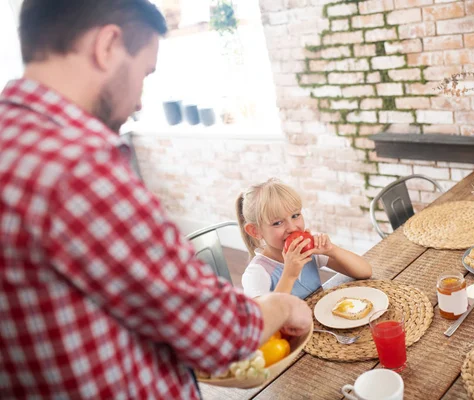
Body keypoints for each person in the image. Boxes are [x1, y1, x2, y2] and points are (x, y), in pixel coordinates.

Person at [0, 1, 312, 399]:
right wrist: (284, 308)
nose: (140, 103)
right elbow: (217, 329)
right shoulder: (80, 164)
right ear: (108, 45)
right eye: (144, 72)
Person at [236, 179, 372, 299]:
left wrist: (332, 250)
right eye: (277, 223)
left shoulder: (308, 251)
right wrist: (289, 274)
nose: (292, 227)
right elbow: (264, 321)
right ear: (255, 231)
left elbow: (365, 272)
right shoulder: (257, 273)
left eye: (295, 216)